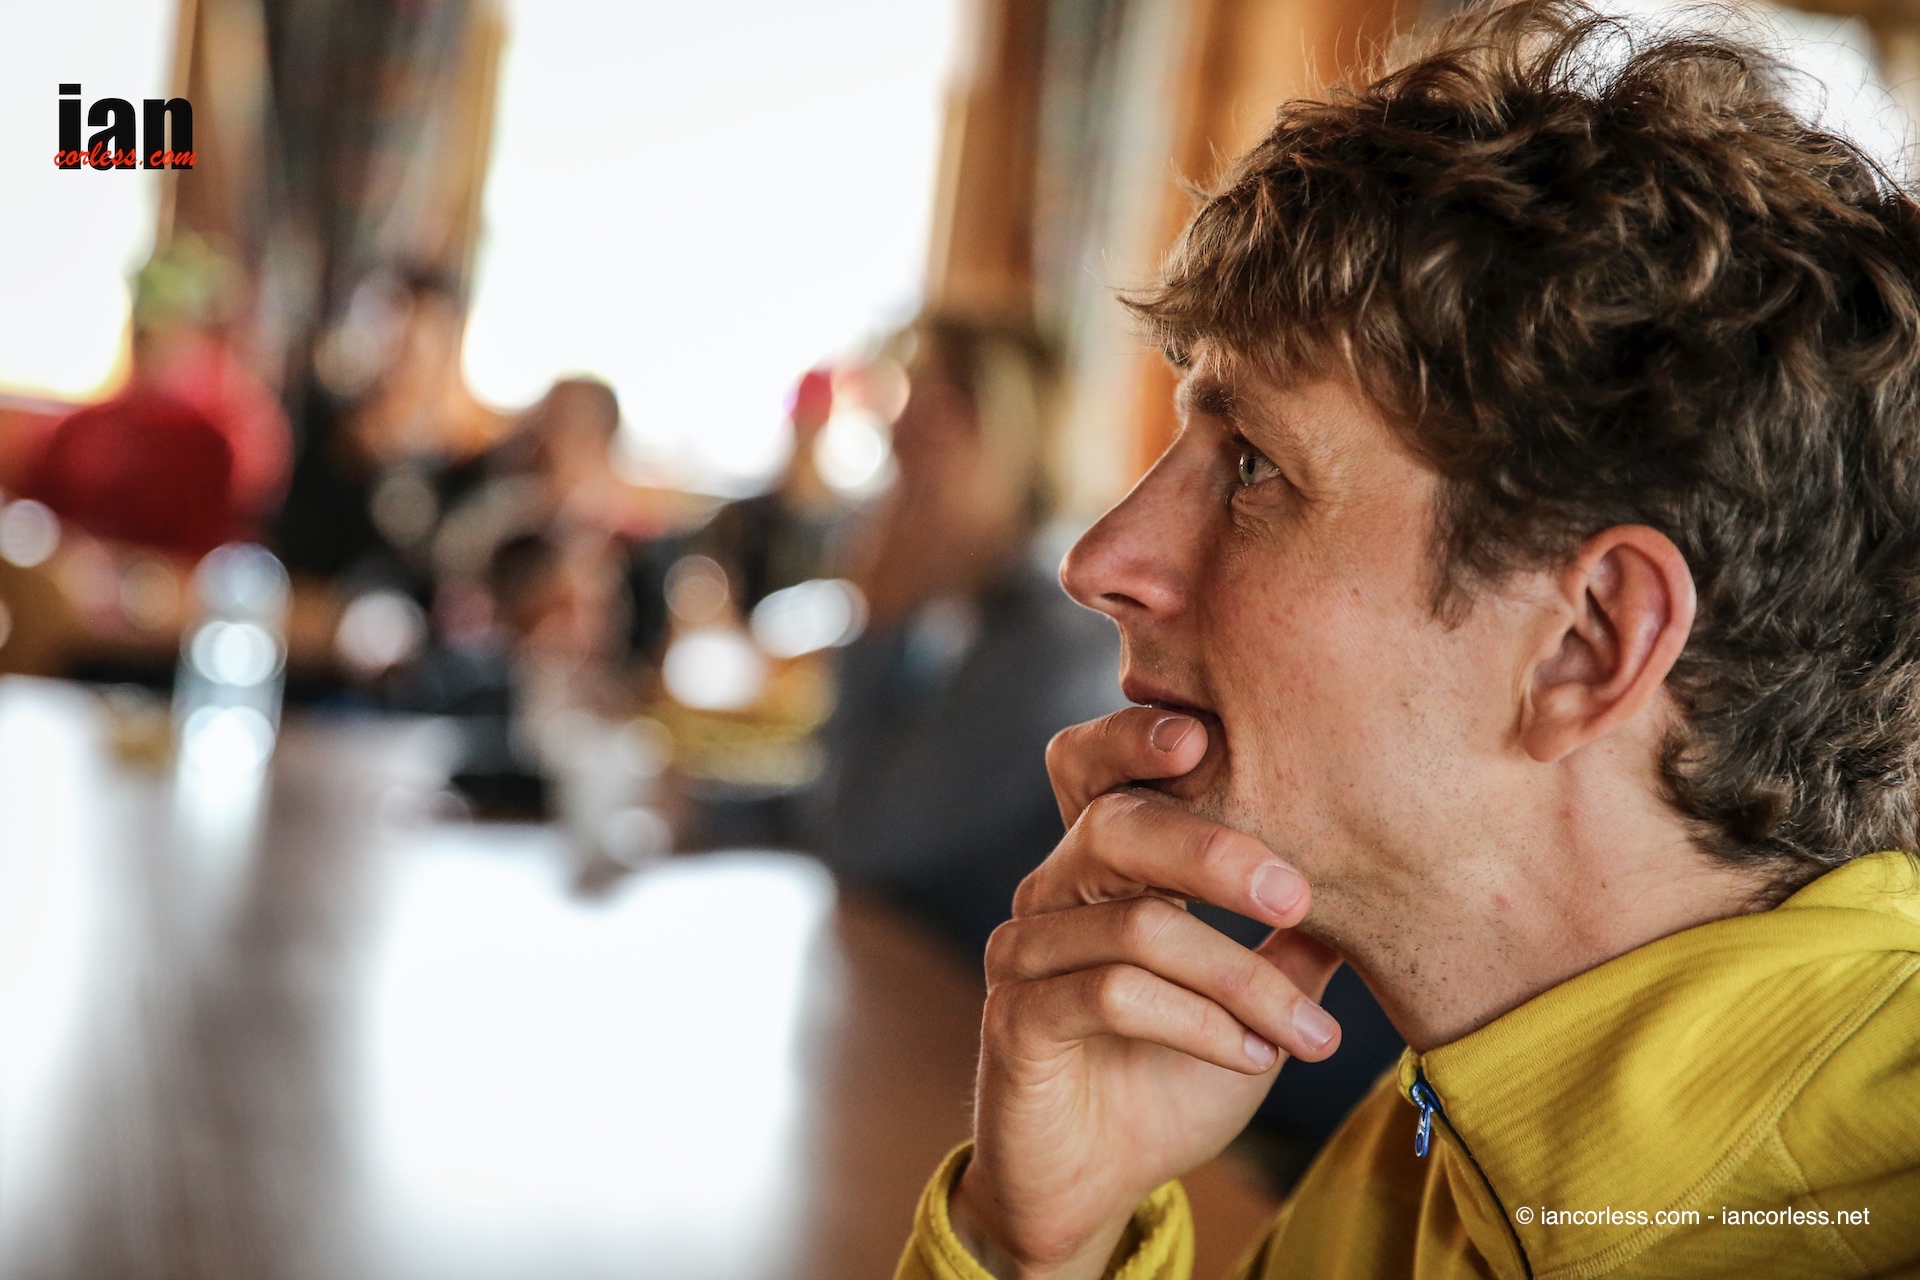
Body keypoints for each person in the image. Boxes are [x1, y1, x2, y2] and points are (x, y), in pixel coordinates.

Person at [896, 3, 1920, 1277]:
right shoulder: (1428, 1140)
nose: (1101, 561)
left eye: (1254, 464)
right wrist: (1038, 1240)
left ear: (1588, 642)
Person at [818, 317, 1127, 955]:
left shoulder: (1053, 640)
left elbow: (862, 841)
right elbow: (881, 778)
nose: (902, 438)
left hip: (976, 991)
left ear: (1016, 446)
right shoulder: (967, 610)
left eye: (941, 412)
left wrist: (876, 628)